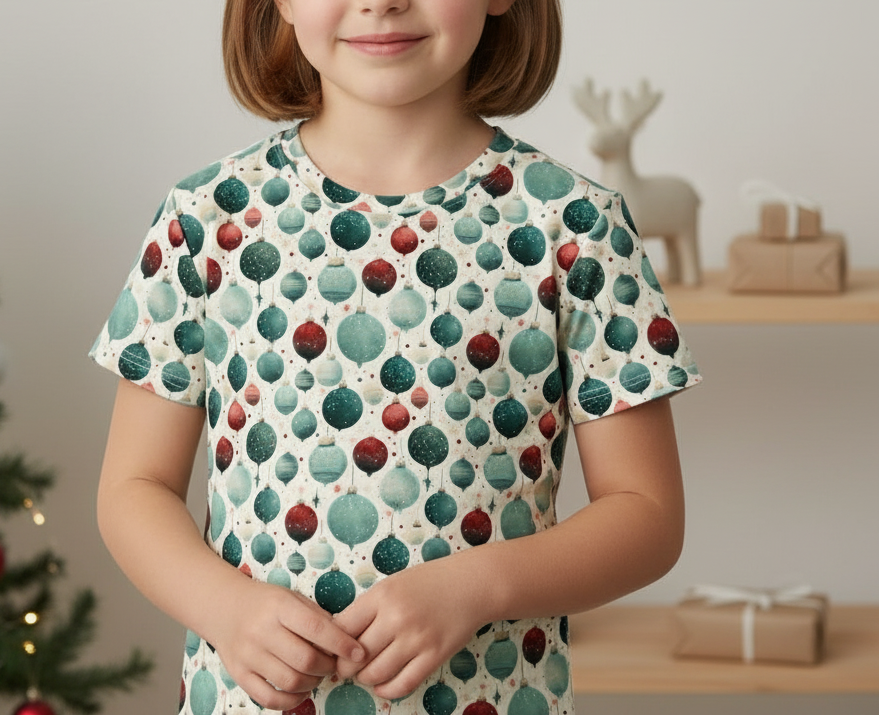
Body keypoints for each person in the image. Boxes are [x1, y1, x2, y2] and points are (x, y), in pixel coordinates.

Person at [89, 1, 702, 713]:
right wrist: (226, 609)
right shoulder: (206, 219)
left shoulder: (575, 225)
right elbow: (134, 489)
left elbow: (647, 515)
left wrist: (475, 588)